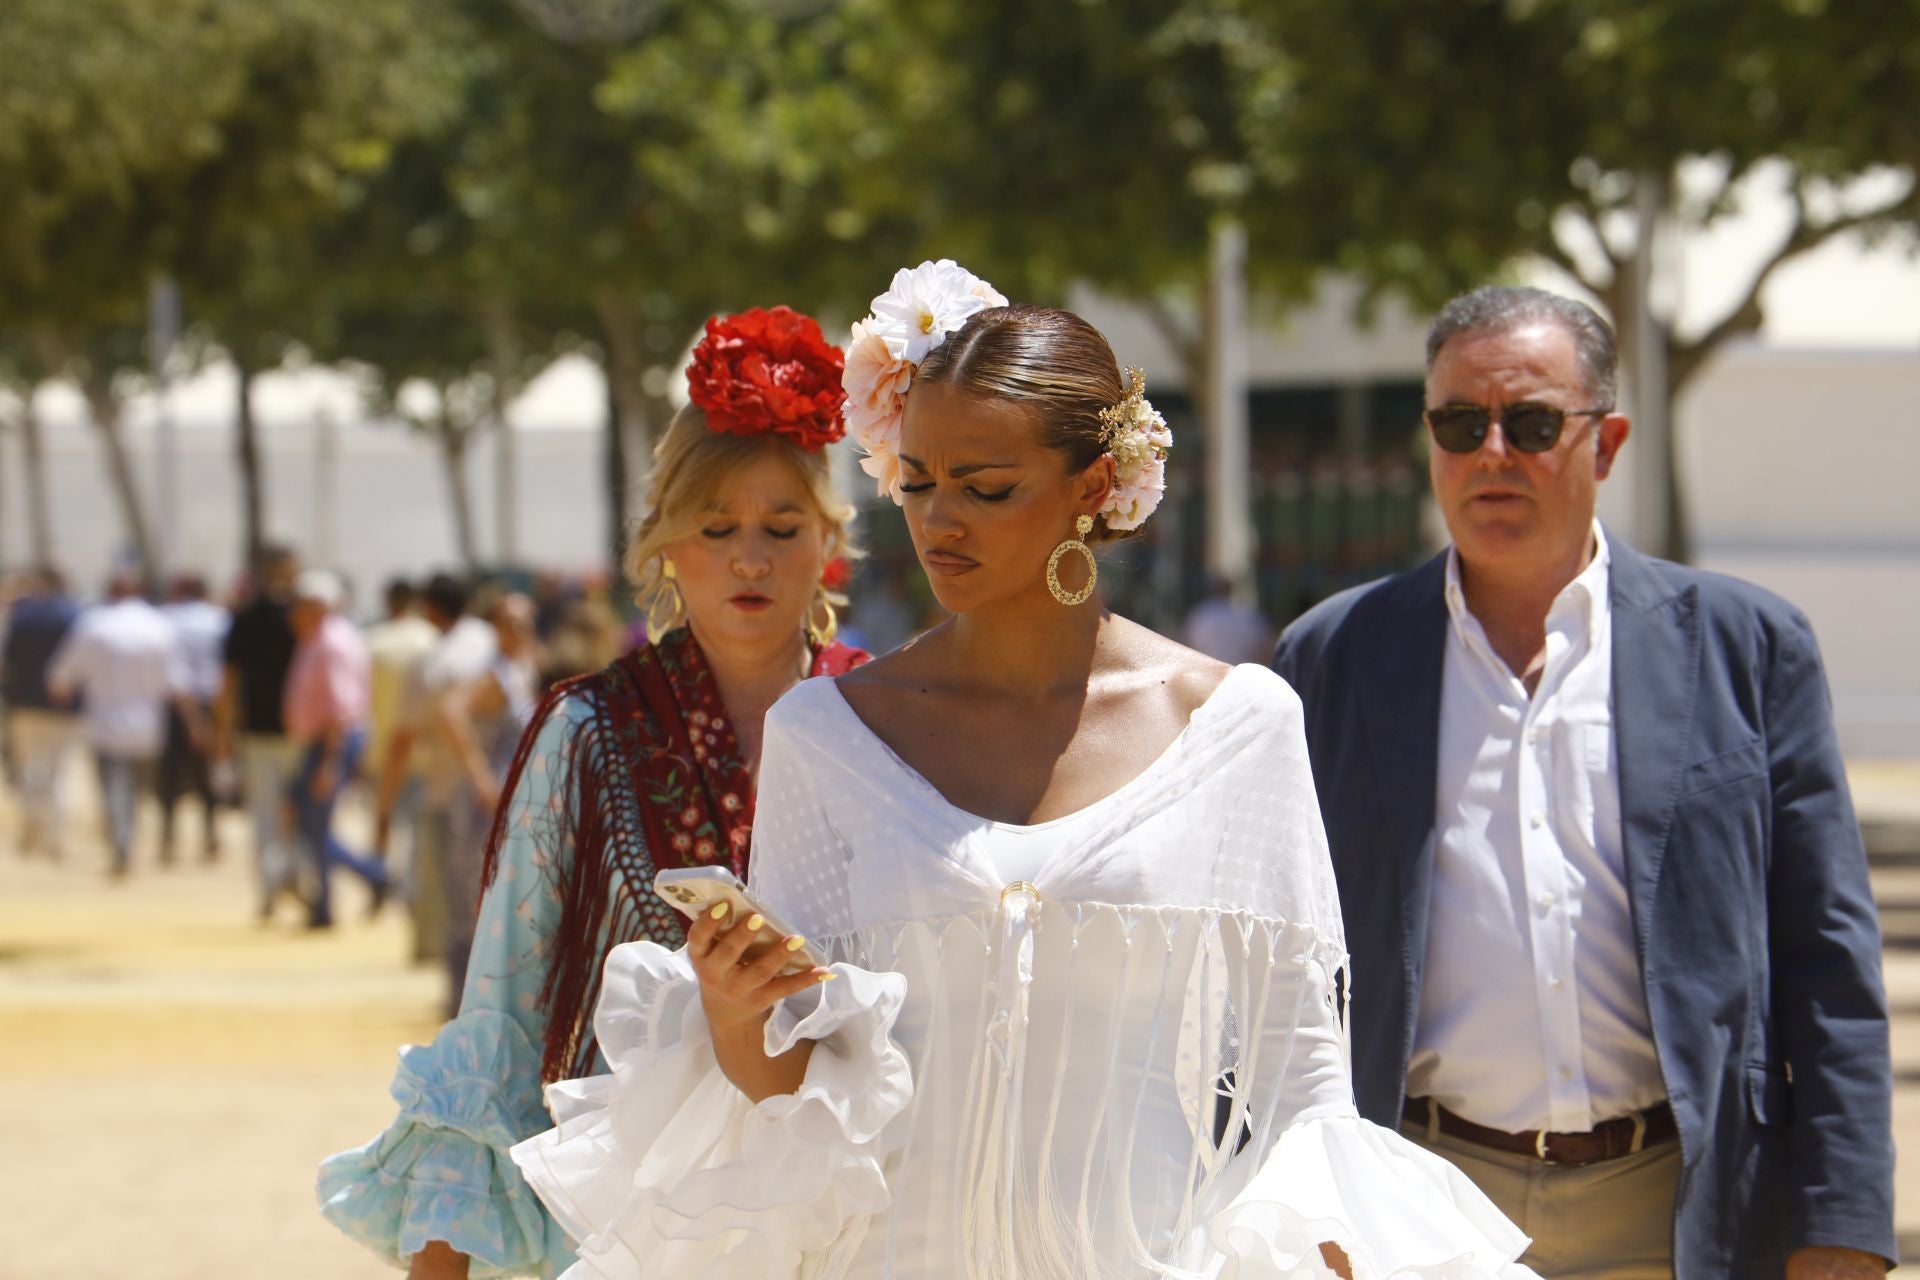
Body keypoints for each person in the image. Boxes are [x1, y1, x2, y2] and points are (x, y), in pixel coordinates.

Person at [503, 264, 1537, 1279]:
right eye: (917, 482)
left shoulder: (1238, 726)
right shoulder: (825, 733)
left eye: (985, 487)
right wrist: (735, 1017)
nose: (938, 520)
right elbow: (802, 1090)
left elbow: (1301, 1072)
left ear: (1093, 486)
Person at [1272, 286, 1893, 1278]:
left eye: (1529, 423)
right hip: (1418, 1202)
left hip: (1681, 1206)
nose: (1492, 454)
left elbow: (1827, 961)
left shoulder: (1746, 648)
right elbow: (1277, 958)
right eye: (1460, 423)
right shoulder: (1332, 658)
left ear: (1604, 442)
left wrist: (1843, 1224)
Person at [318, 304, 871, 1280]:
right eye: (718, 526)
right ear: (665, 543)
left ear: (826, 540)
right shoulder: (586, 729)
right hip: (620, 1224)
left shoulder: (882, 719)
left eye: (783, 526)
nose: (751, 555)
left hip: (846, 1218)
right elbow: (502, 1016)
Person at [373, 572, 494, 968]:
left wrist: (383, 808)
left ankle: (462, 996)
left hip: (450, 789)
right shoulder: (491, 640)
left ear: (430, 610)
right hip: (509, 783)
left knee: (458, 902)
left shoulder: (432, 664)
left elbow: (402, 741)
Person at [431, 590, 543, 1012]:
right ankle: (463, 998)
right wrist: (480, 777)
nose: (524, 632)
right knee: (473, 894)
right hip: (486, 800)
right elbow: (451, 712)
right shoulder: (494, 674)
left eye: (528, 623)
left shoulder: (517, 669)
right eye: (515, 624)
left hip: (505, 798)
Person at [46, 569, 180, 877]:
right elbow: (175, 682)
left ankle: (122, 843)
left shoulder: (94, 626)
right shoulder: (158, 626)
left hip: (105, 724)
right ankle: (126, 839)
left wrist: (63, 695)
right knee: (135, 789)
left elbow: (61, 677)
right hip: (150, 727)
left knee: (114, 788)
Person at [283, 570, 390, 928]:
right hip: (324, 741)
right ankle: (327, 899)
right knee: (311, 824)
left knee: (315, 826)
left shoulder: (332, 643)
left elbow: (340, 710)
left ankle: (370, 877)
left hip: (330, 742)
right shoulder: (320, 638)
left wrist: (329, 762)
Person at [217, 544, 304, 917]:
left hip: (257, 729)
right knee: (294, 811)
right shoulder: (303, 618)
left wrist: (225, 727)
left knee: (265, 813)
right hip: (293, 730)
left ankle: (271, 885)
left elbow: (229, 679)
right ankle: (291, 876)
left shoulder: (245, 615)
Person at [3, 566, 82, 859]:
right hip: (65, 706)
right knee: (59, 771)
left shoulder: (22, 616)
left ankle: (33, 820)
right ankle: (56, 836)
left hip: (24, 703)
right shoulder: (75, 616)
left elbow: (7, 659)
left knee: (31, 767)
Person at [158, 573, 229, 864]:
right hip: (213, 703)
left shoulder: (166, 618)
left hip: (176, 705)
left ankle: (168, 839)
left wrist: (189, 716)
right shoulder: (220, 619)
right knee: (207, 774)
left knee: (170, 775)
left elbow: (171, 669)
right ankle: (211, 836)